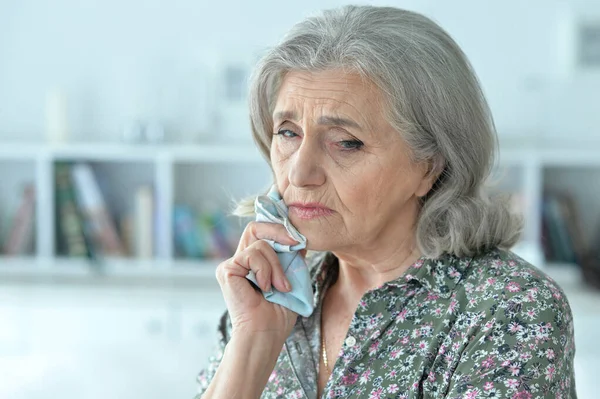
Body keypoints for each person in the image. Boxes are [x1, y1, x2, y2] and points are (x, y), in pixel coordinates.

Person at [195, 5, 576, 399]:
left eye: (346, 142)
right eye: (288, 133)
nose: (298, 173)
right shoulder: (269, 290)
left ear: (428, 166)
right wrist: (253, 342)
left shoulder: (509, 308)